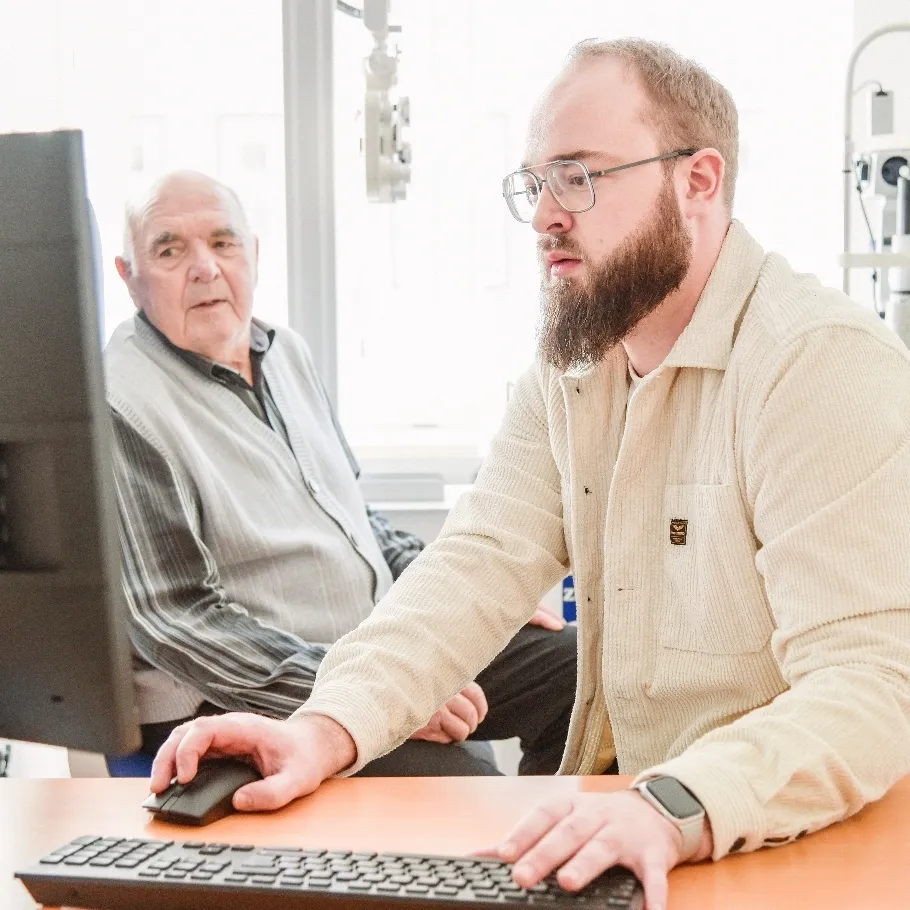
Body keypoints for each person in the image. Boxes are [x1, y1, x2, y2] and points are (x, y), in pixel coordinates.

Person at [149, 37, 910, 910]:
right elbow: (476, 560)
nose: (547, 213)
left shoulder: (820, 366)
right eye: (535, 183)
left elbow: (872, 685)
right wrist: (324, 728)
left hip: (761, 842)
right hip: (618, 831)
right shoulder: (579, 364)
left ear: (698, 182)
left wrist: (673, 806)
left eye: (579, 177)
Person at [105, 169, 578, 778]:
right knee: (470, 795)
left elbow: (354, 520)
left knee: (588, 676)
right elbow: (176, 619)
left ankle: (566, 852)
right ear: (128, 276)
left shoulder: (286, 352)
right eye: (170, 250)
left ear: (253, 254)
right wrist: (360, 697)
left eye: (223, 243)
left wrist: (473, 603)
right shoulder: (121, 401)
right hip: (253, 703)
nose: (204, 267)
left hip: (374, 651)